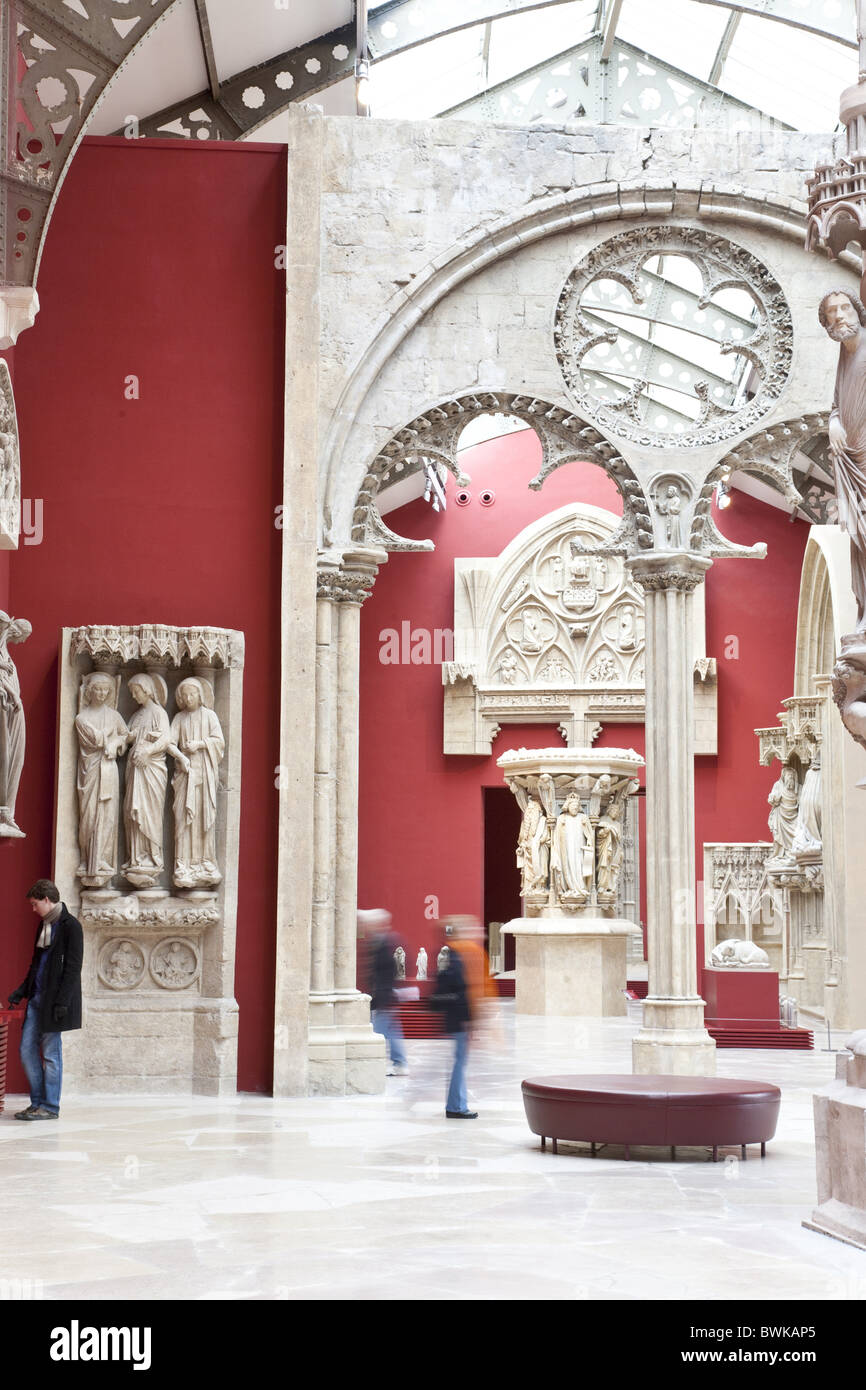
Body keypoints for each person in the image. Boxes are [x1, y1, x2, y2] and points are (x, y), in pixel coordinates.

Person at [7, 879, 83, 1120]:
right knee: (26, 1050)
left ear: (47, 900)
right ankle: (37, 1103)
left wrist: (62, 1002)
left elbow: (73, 968)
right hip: (37, 999)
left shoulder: (71, 926)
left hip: (54, 1002)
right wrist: (22, 990)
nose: (33, 909)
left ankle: (50, 1107)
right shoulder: (44, 926)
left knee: (51, 1054)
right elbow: (36, 964)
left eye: (35, 904)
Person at [819, 288, 866, 629]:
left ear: (857, 310)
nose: (839, 315)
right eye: (832, 311)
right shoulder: (843, 354)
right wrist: (834, 422)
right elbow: (838, 403)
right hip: (851, 459)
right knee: (858, 539)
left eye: (844, 307)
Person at [432, 915, 489, 1120]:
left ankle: (457, 1103)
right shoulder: (456, 957)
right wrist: (470, 1020)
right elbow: (459, 992)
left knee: (459, 1061)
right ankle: (456, 1106)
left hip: (458, 1019)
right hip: (458, 1020)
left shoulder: (454, 956)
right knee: (459, 1062)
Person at [358, 908, 408, 1076]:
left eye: (366, 924)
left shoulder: (383, 944)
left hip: (383, 997)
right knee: (391, 1031)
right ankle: (400, 1063)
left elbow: (385, 973)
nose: (364, 927)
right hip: (384, 996)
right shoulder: (381, 942)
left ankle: (377, 1064)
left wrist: (381, 995)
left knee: (379, 1032)